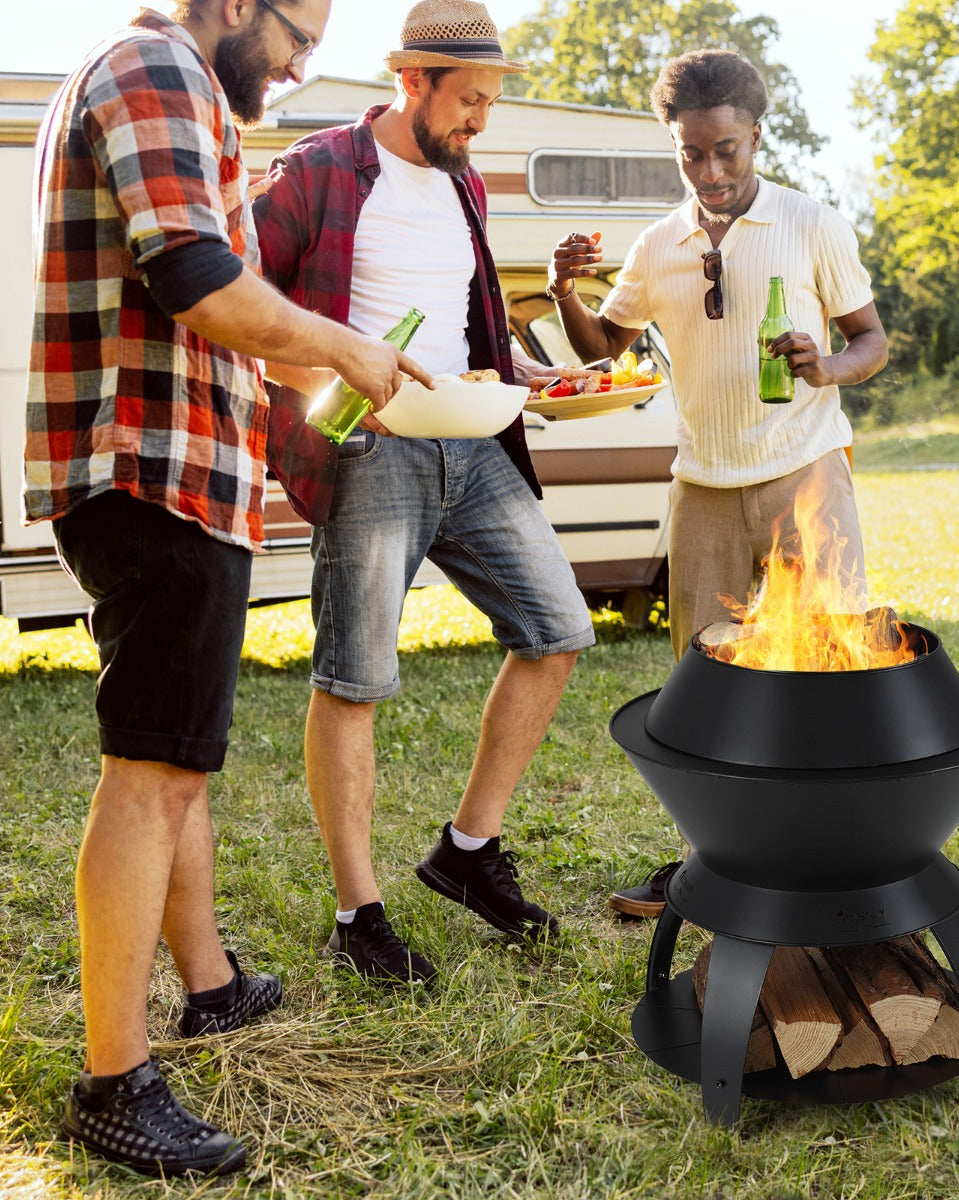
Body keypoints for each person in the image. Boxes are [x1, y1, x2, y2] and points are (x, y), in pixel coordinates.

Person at [24, 0, 434, 1176]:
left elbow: (233, 316)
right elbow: (197, 278)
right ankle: (114, 1080)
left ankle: (208, 990)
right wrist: (348, 347)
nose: (307, 57)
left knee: (179, 761)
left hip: (174, 469)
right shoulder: (154, 63)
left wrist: (348, 358)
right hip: (148, 469)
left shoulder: (169, 84)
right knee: (151, 773)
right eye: (297, 28)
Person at [252, 0, 594, 988]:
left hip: (473, 442)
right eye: (469, 101)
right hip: (372, 451)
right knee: (354, 679)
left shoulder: (465, 184)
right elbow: (239, 308)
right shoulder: (317, 172)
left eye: (492, 101)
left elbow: (468, 322)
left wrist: (528, 372)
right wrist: (324, 394)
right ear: (413, 83)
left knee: (558, 631)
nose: (481, 120)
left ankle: (468, 852)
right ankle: (359, 914)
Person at [546, 49, 889, 919]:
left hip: (804, 479)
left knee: (824, 676)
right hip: (699, 493)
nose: (711, 171)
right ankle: (708, 864)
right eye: (691, 154)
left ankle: (830, 860)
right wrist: (561, 294)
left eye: (727, 151)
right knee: (703, 693)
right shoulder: (659, 244)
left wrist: (827, 368)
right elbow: (604, 353)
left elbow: (871, 340)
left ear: (755, 136)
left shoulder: (813, 224)